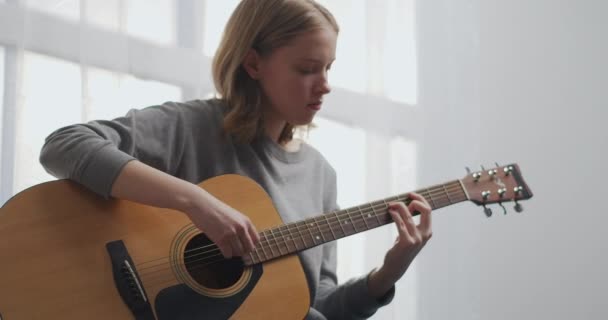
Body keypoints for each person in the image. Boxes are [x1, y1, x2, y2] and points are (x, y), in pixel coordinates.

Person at [39, 0, 432, 319]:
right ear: (254, 64)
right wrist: (196, 201)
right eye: (308, 69)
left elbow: (313, 306)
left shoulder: (320, 175)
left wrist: (386, 275)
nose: (325, 85)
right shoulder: (191, 127)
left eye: (328, 68)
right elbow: (65, 144)